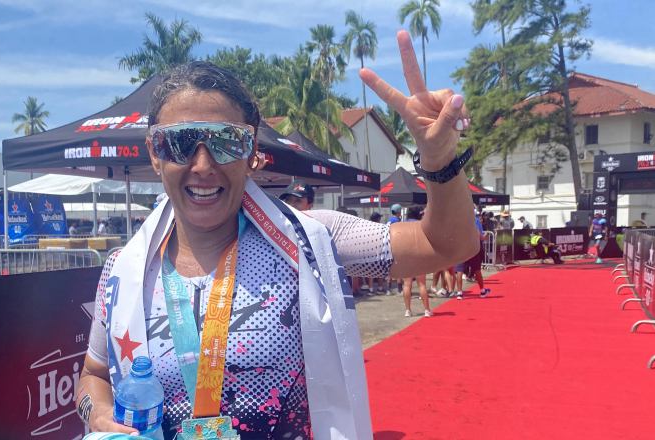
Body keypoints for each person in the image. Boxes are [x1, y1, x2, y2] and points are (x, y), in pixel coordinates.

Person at [76, 31, 477, 440]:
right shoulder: (123, 270)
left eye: (226, 142)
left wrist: (439, 157)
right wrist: (97, 411)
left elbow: (448, 244)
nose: (202, 165)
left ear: (252, 154)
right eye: (178, 143)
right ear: (154, 154)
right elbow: (94, 374)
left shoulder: (312, 240)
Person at [401, 207, 432, 317]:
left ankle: (408, 310)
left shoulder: (402, 226)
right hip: (419, 256)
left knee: (407, 284)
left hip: (406, 257)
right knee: (422, 284)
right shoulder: (421, 226)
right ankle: (427, 310)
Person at [459, 210, 491, 298]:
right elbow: (481, 237)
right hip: (473, 249)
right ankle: (482, 291)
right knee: (477, 269)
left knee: (459, 271)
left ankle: (459, 292)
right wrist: (485, 236)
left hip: (463, 250)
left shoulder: (460, 223)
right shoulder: (474, 224)